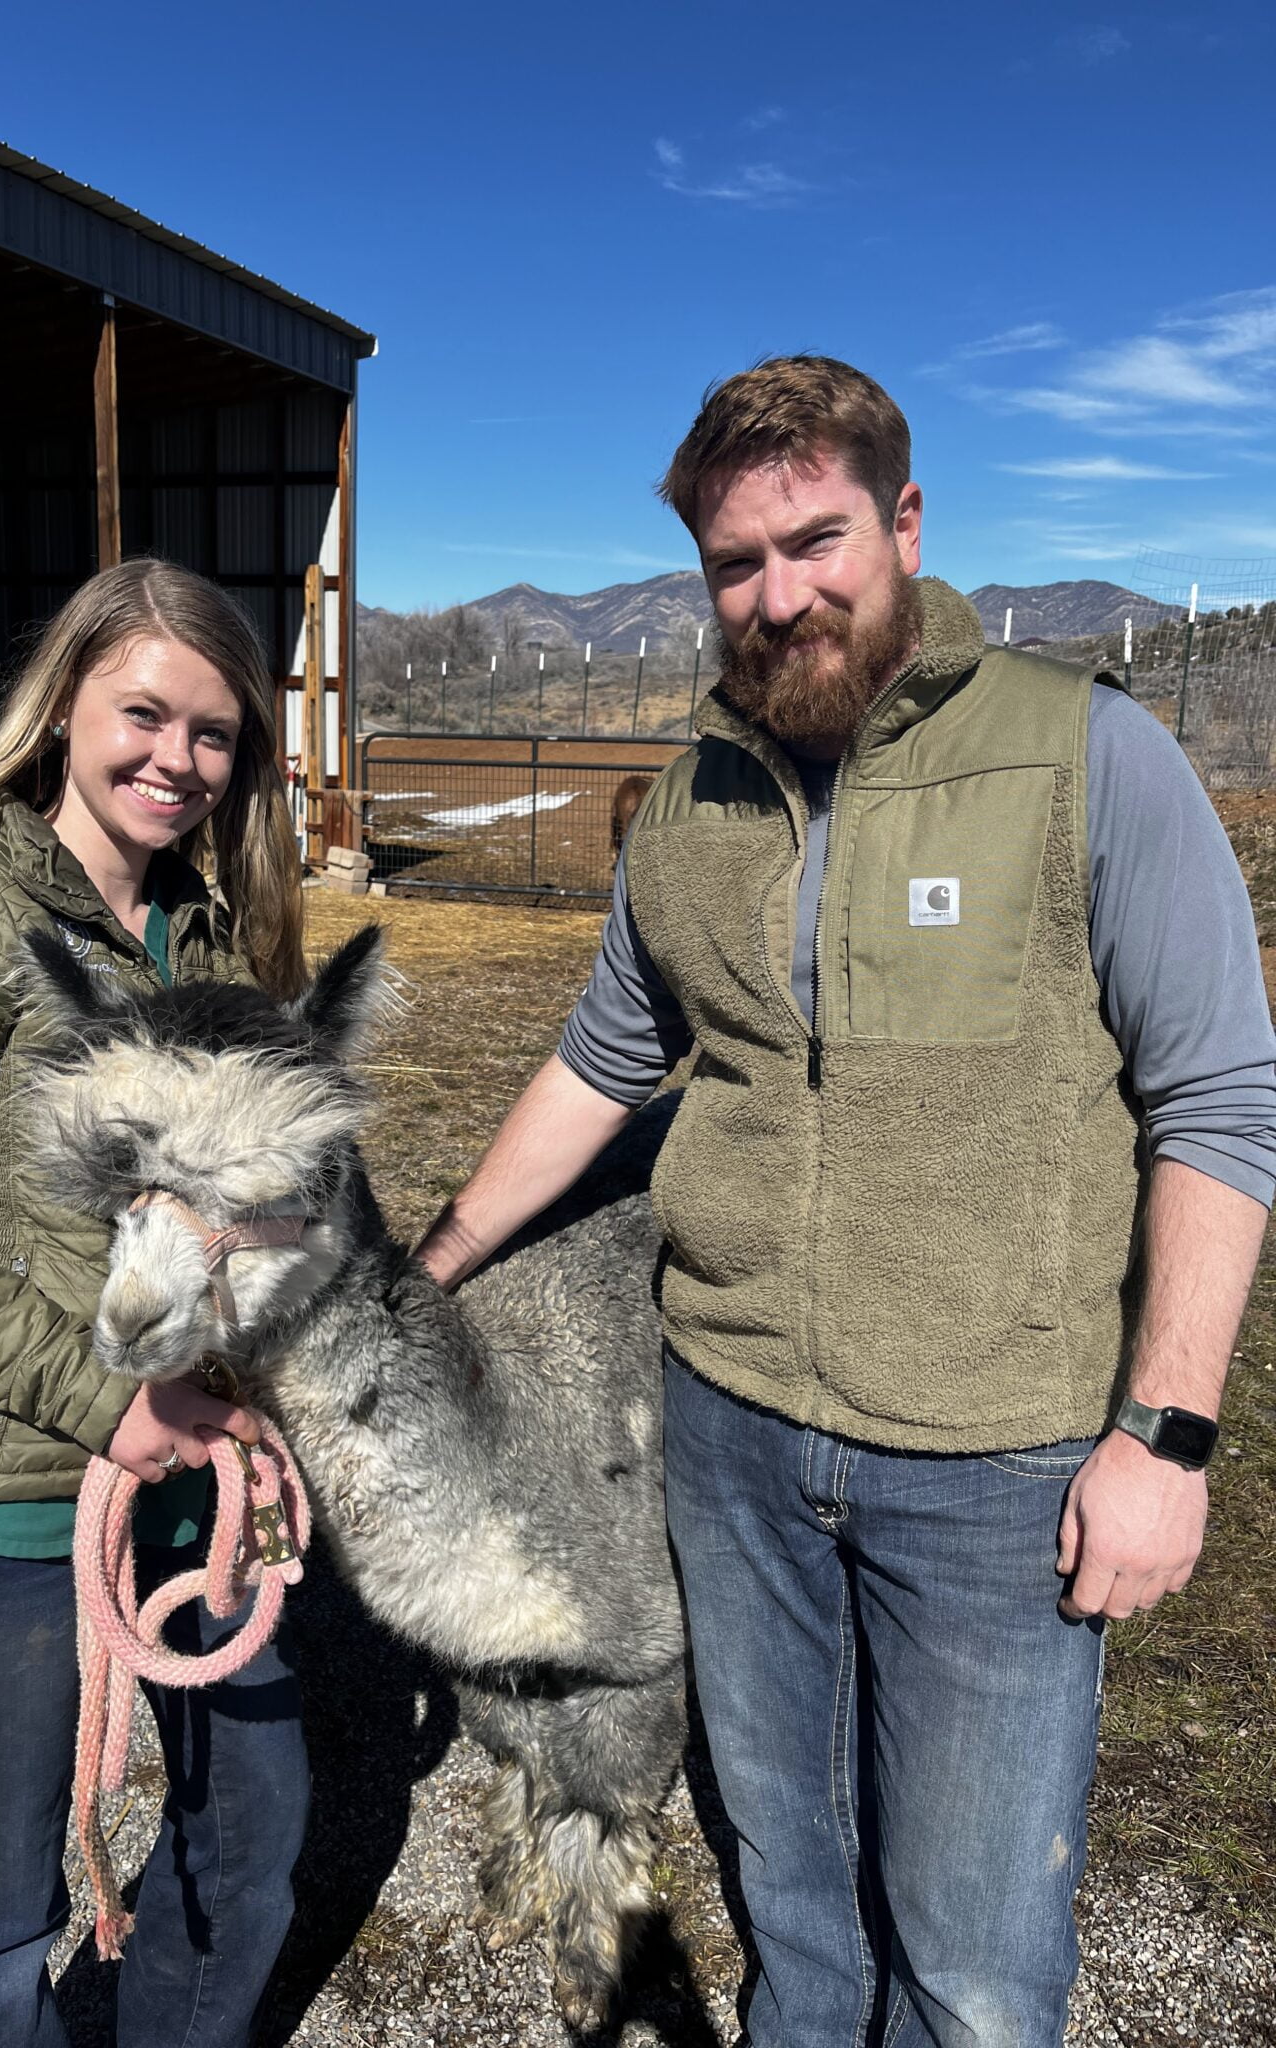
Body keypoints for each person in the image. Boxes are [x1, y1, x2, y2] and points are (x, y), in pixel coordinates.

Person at [415, 357, 1276, 2047]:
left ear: (905, 523)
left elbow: (1222, 1102)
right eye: (736, 563)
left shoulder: (1089, 755)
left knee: (972, 1960)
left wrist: (1165, 1438)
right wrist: (430, 1263)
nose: (779, 594)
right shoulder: (691, 802)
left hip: (993, 1458)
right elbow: (604, 1060)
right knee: (794, 1908)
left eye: (816, 541)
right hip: (732, 1432)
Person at [0, 560, 310, 2048]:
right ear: (64, 706)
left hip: (194, 1473)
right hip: (2, 1501)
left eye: (212, 733)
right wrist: (108, 1402)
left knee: (254, 1828)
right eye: (143, 714)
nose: (176, 759)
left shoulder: (206, 930)